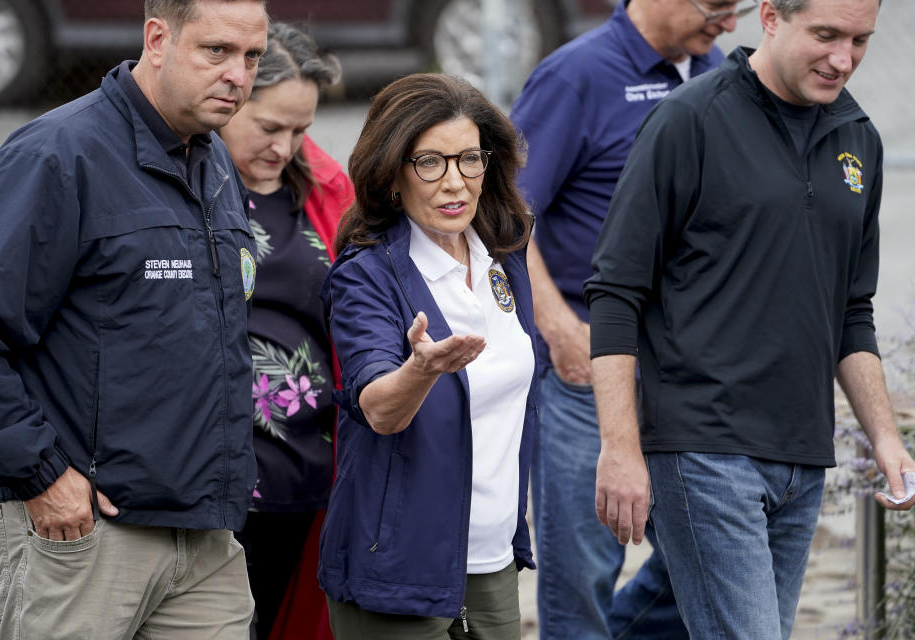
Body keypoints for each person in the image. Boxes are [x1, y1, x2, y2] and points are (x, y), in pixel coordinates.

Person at [585, 0, 915, 637]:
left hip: (802, 458)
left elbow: (852, 311)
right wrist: (620, 448)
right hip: (703, 449)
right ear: (770, 16)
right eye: (826, 35)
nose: (843, 58)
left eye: (860, 40)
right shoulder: (689, 120)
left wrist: (886, 437)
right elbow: (616, 291)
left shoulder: (859, 139)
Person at [0, 1, 269, 638]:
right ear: (158, 38)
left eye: (252, 56)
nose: (239, 75)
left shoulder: (212, 165)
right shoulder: (57, 155)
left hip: (204, 545)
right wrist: (41, 475)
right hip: (81, 536)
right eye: (217, 51)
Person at [508, 0, 753, 637]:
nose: (730, 24)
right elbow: (503, 214)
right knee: (582, 573)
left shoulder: (711, 68)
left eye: (739, 8)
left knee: (704, 559)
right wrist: (559, 329)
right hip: (590, 365)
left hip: (690, 369)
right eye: (719, 7)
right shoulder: (575, 77)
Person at [318, 73, 538, 639]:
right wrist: (421, 370)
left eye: (469, 159)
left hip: (492, 557)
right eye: (430, 163)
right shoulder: (365, 276)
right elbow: (380, 410)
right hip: (400, 566)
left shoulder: (504, 256)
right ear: (393, 177)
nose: (455, 182)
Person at [216, 21, 352, 640]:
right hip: (214, 478)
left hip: (303, 472)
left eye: (301, 131)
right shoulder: (185, 185)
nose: (285, 147)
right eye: (269, 128)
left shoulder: (324, 187)